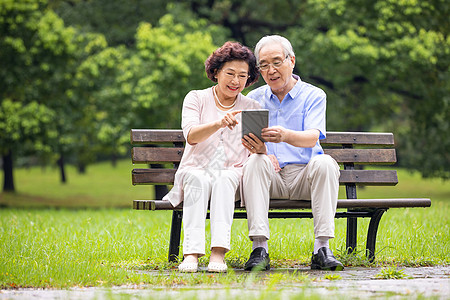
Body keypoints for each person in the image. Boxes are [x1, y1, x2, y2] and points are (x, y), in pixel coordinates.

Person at [241, 35, 344, 271]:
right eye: (264, 65)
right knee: (255, 162)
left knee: (326, 163)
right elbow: (245, 143)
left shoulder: (314, 95)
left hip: (304, 176)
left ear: (292, 61)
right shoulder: (252, 99)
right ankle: (259, 249)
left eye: (277, 62)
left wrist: (285, 135)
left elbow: (312, 137)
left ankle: (322, 248)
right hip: (270, 177)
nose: (271, 70)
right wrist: (263, 152)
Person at [162, 41, 260, 273]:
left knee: (225, 179)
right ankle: (191, 254)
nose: (236, 81)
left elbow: (256, 148)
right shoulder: (195, 98)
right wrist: (218, 123)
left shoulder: (252, 106)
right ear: (216, 72)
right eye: (230, 73)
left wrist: (264, 150)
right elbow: (192, 136)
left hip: (233, 172)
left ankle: (218, 254)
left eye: (242, 76)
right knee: (198, 179)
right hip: (196, 168)